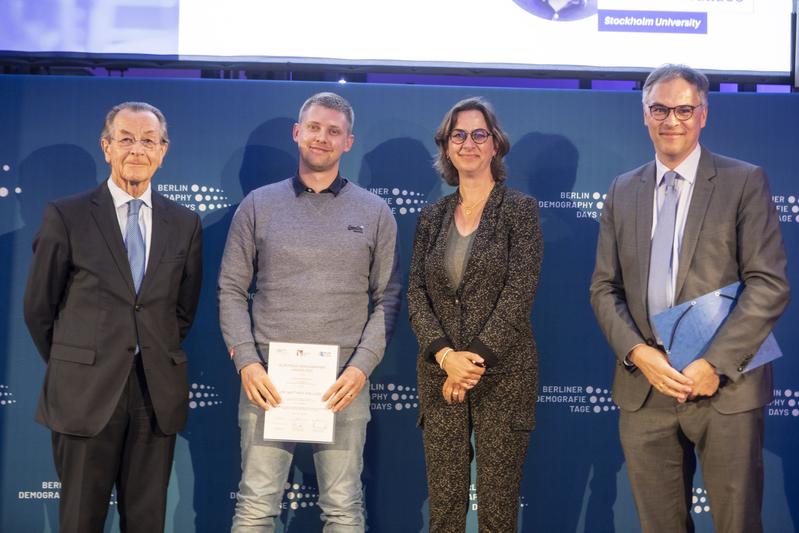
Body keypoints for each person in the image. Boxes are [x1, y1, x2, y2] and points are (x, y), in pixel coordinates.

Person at [590, 64, 790, 533]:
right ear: (644, 115)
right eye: (660, 109)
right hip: (647, 388)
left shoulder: (744, 181)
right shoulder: (623, 189)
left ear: (704, 114)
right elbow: (603, 287)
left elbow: (769, 283)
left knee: (737, 523)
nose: (671, 120)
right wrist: (638, 354)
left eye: (684, 109)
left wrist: (713, 363)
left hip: (725, 388)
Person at [218, 92, 401, 532]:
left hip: (342, 382)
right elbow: (229, 289)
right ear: (297, 133)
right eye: (314, 128)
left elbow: (388, 299)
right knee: (256, 505)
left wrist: (359, 370)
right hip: (267, 378)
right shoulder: (258, 205)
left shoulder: (376, 212)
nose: (323, 138)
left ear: (348, 142)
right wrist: (246, 361)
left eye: (333, 131)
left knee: (342, 508)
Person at [23, 101, 203, 533]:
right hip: (84, 392)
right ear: (106, 147)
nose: (136, 150)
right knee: (81, 520)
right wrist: (80, 360)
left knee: (146, 521)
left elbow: (182, 310)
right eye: (125, 139)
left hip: (154, 393)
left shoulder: (185, 223)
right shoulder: (66, 215)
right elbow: (39, 308)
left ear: (163, 151)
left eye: (148, 140)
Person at [407, 97, 543, 532]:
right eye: (458, 135)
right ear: (447, 147)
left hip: (503, 377)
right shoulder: (432, 217)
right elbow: (416, 294)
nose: (468, 143)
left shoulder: (520, 211)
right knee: (444, 509)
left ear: (495, 145)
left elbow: (519, 291)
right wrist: (446, 358)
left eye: (478, 134)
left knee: (497, 511)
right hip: (439, 378)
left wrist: (472, 361)